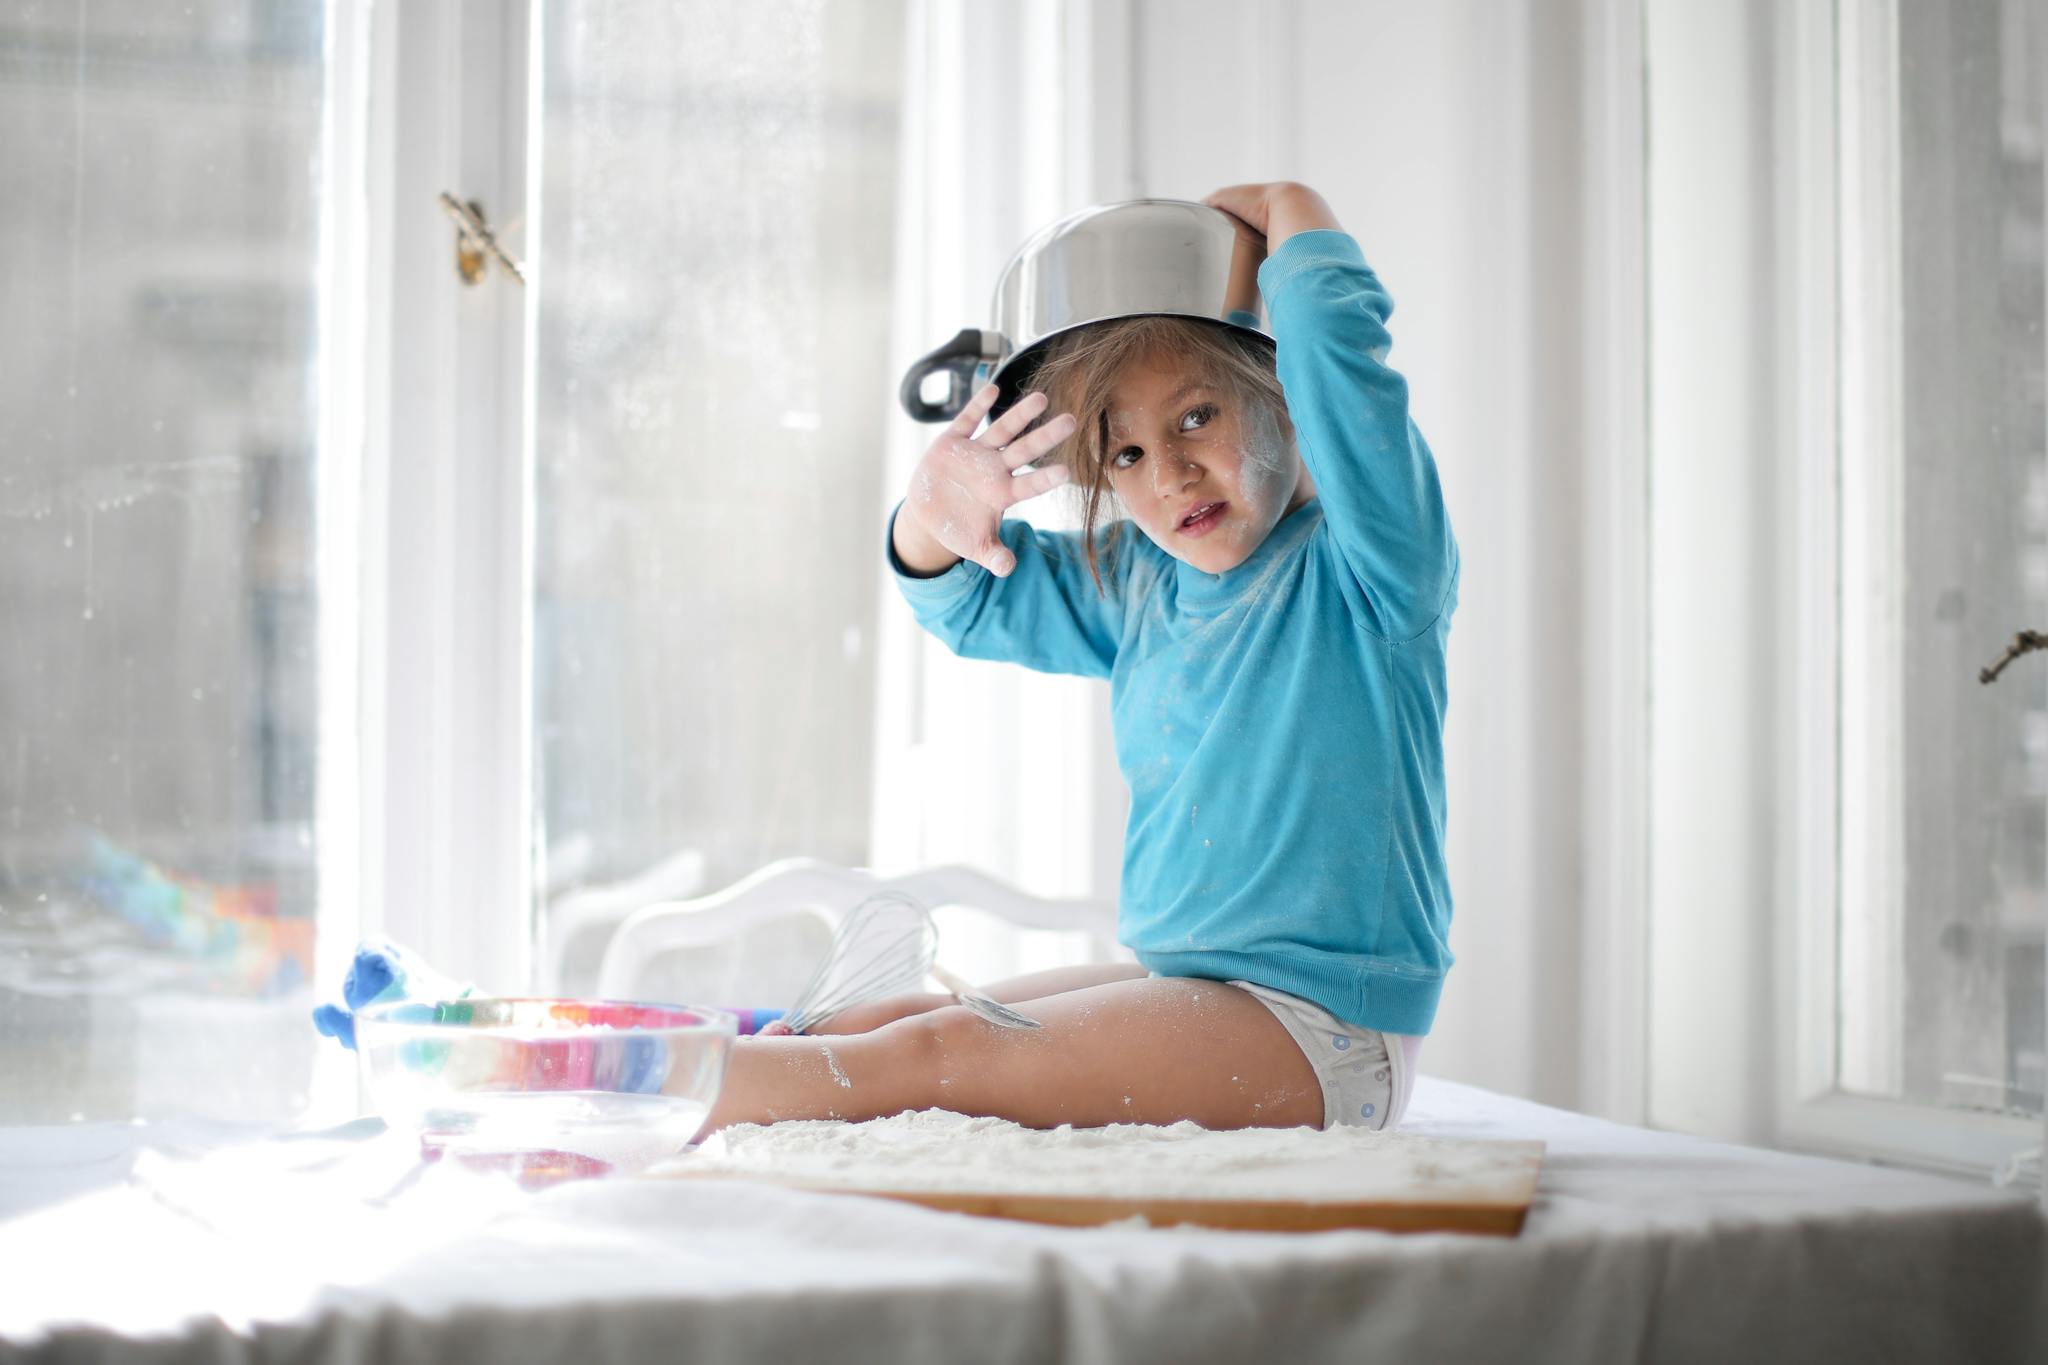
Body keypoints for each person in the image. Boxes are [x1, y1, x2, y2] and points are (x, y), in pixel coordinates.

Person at [700, 181, 1458, 1135]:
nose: (1171, 473)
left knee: (934, 1058)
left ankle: (640, 1086)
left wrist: (1289, 207)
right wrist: (934, 516)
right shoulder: (1142, 582)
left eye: (1196, 418)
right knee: (897, 1020)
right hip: (1195, 985)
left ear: (1288, 399)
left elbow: (1346, 367)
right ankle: (671, 1074)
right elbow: (968, 603)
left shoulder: (1371, 568)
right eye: (1126, 454)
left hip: (1321, 1032)